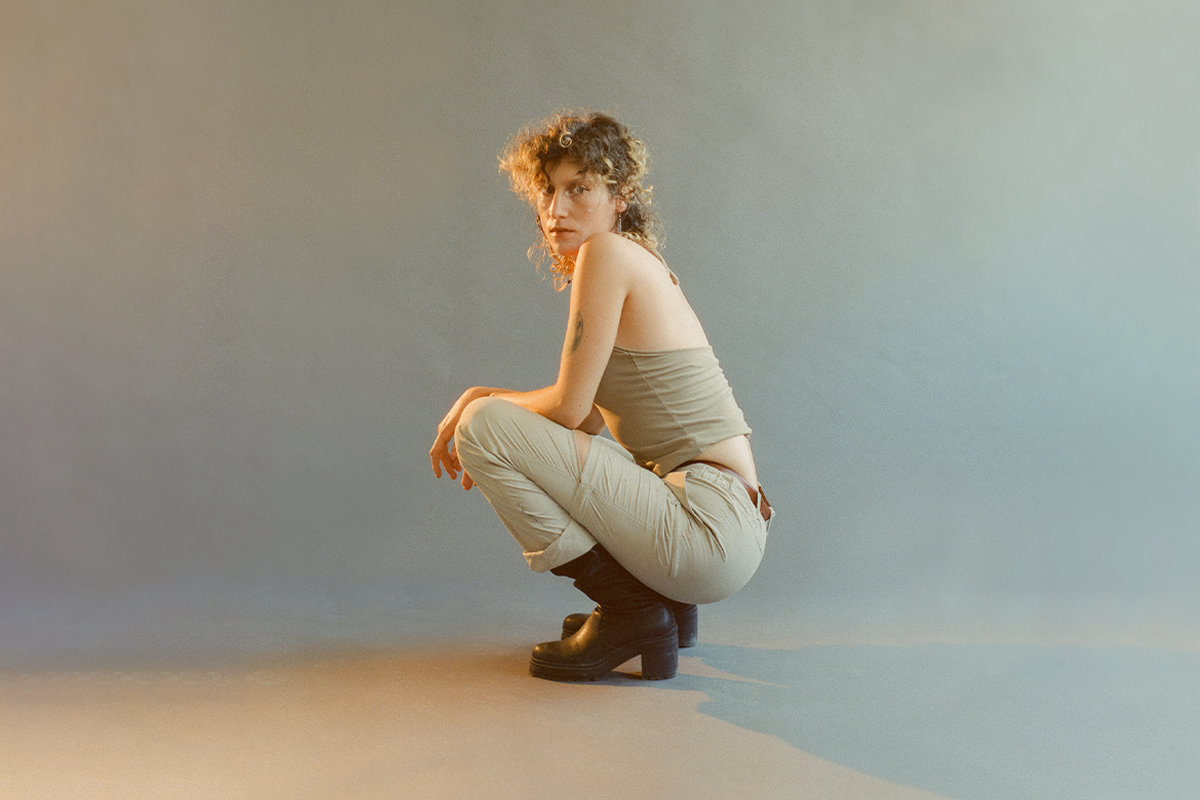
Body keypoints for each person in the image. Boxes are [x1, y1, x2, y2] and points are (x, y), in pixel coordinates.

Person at [429, 111, 772, 682]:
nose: (556, 209)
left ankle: (630, 610)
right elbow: (585, 419)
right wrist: (489, 397)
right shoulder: (636, 260)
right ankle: (664, 607)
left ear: (620, 197)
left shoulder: (606, 254)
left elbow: (566, 409)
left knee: (482, 426)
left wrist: (476, 403)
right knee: (501, 420)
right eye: (548, 190)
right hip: (725, 521)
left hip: (707, 529)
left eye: (579, 189)